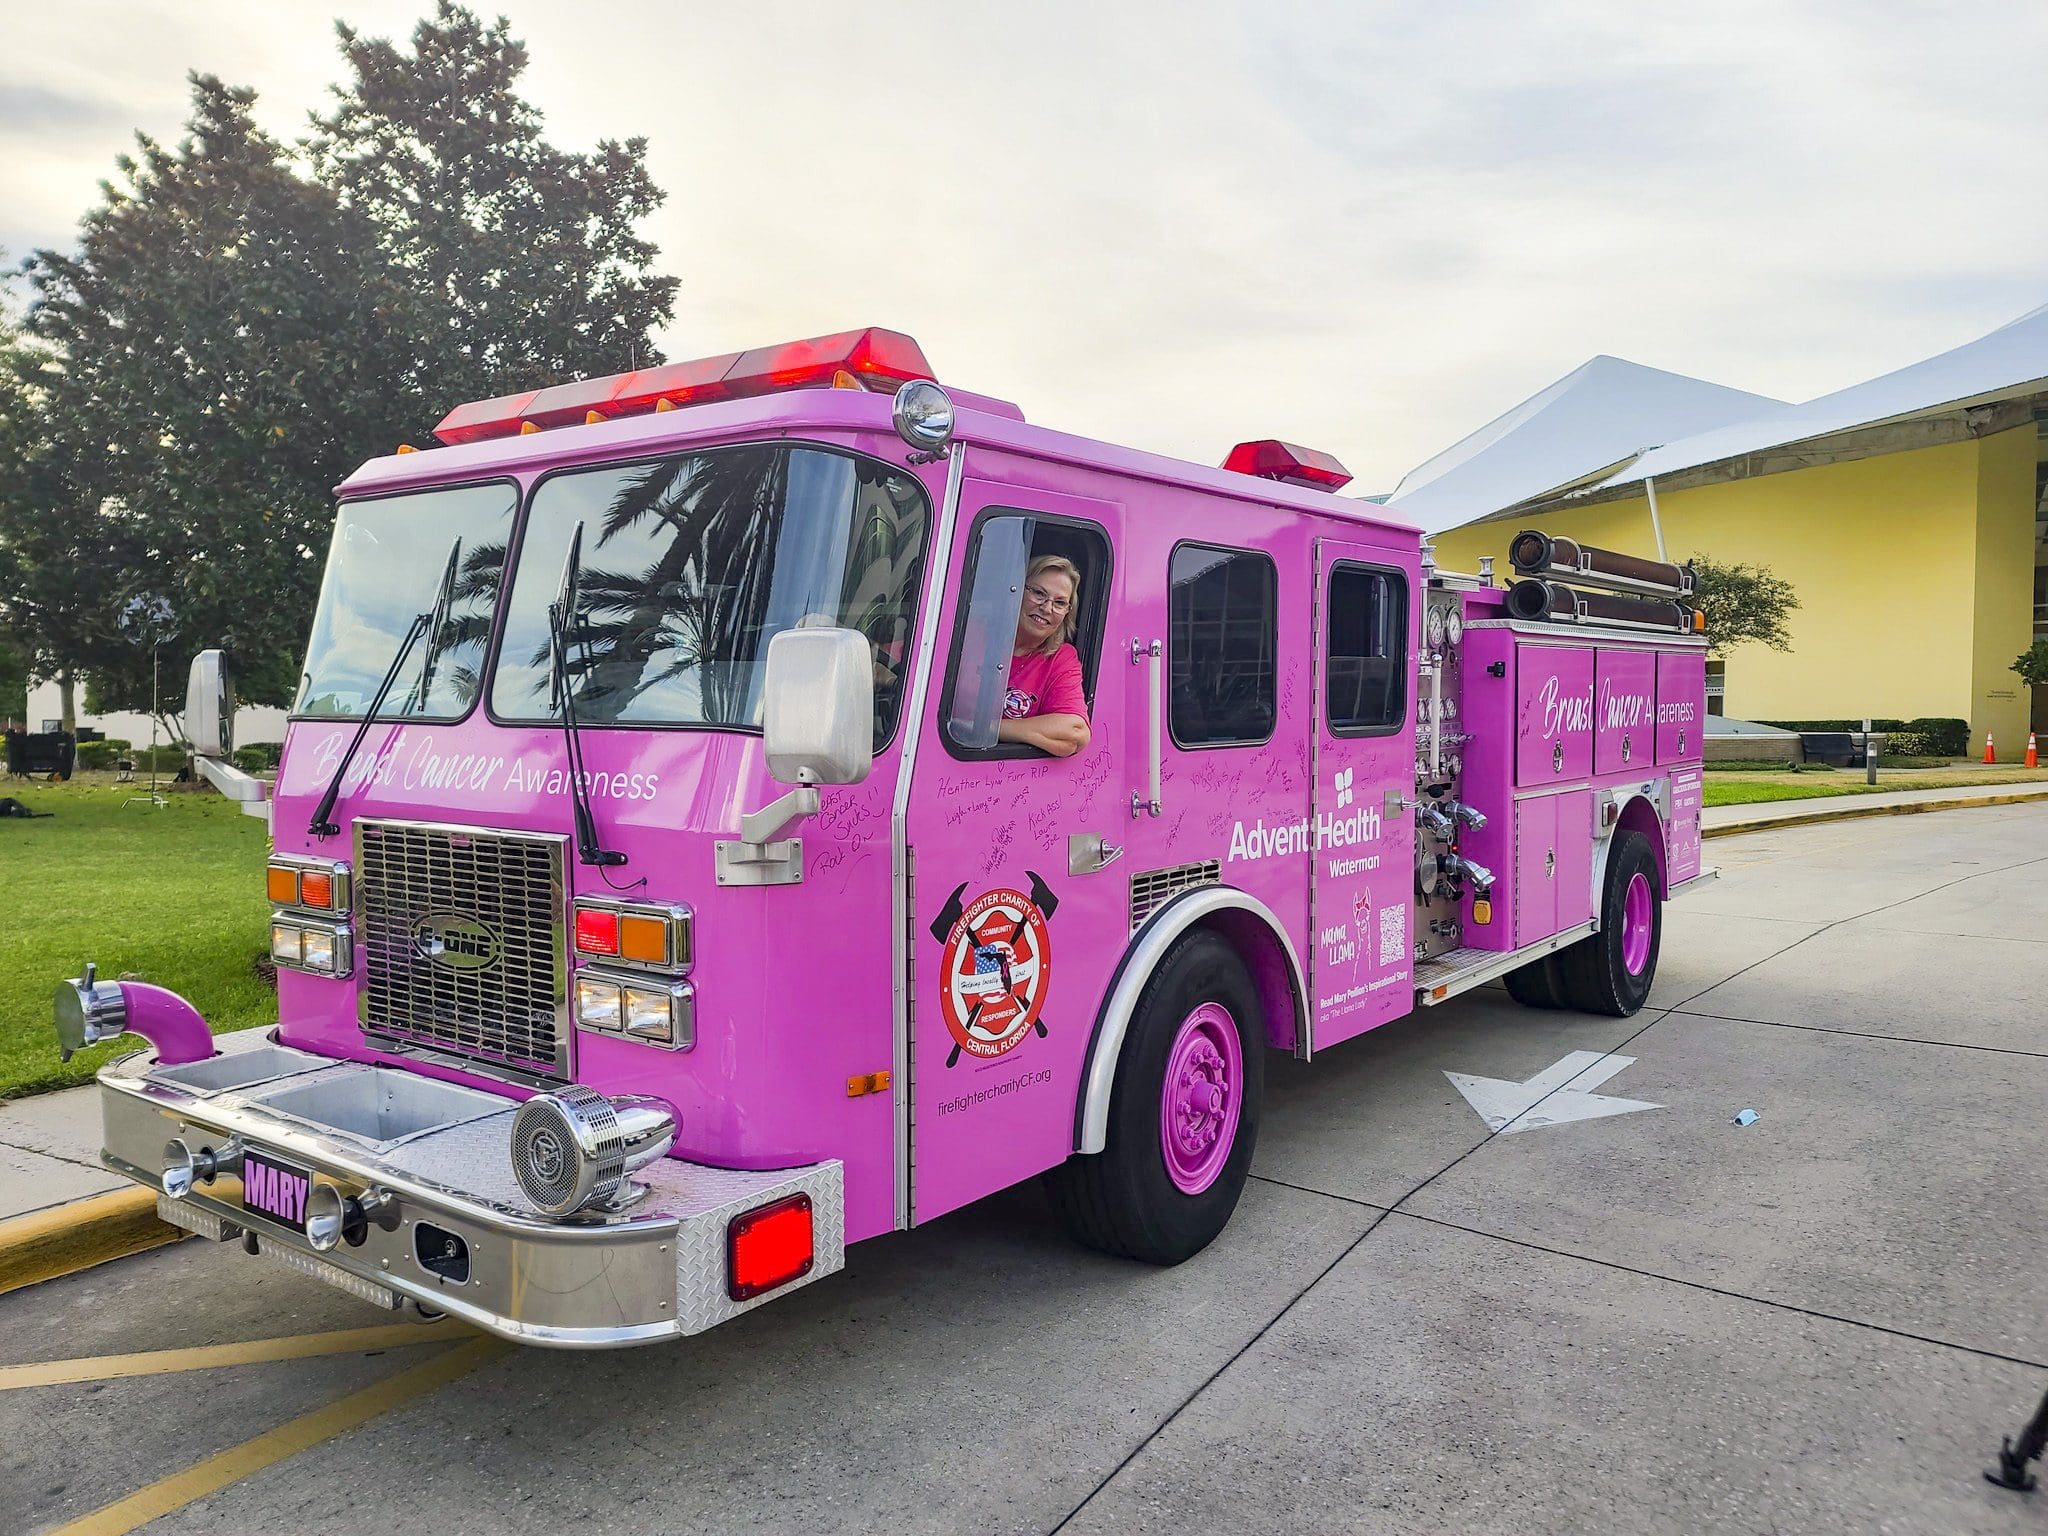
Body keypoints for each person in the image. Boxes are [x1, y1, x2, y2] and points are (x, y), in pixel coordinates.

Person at [999, 555, 1091, 757]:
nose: (1047, 608)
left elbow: (1074, 732)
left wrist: (991, 729)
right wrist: (1036, 732)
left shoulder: (1062, 657)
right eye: (1039, 593)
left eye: (1059, 603)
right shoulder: (975, 635)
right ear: (1016, 589)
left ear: (1068, 611)